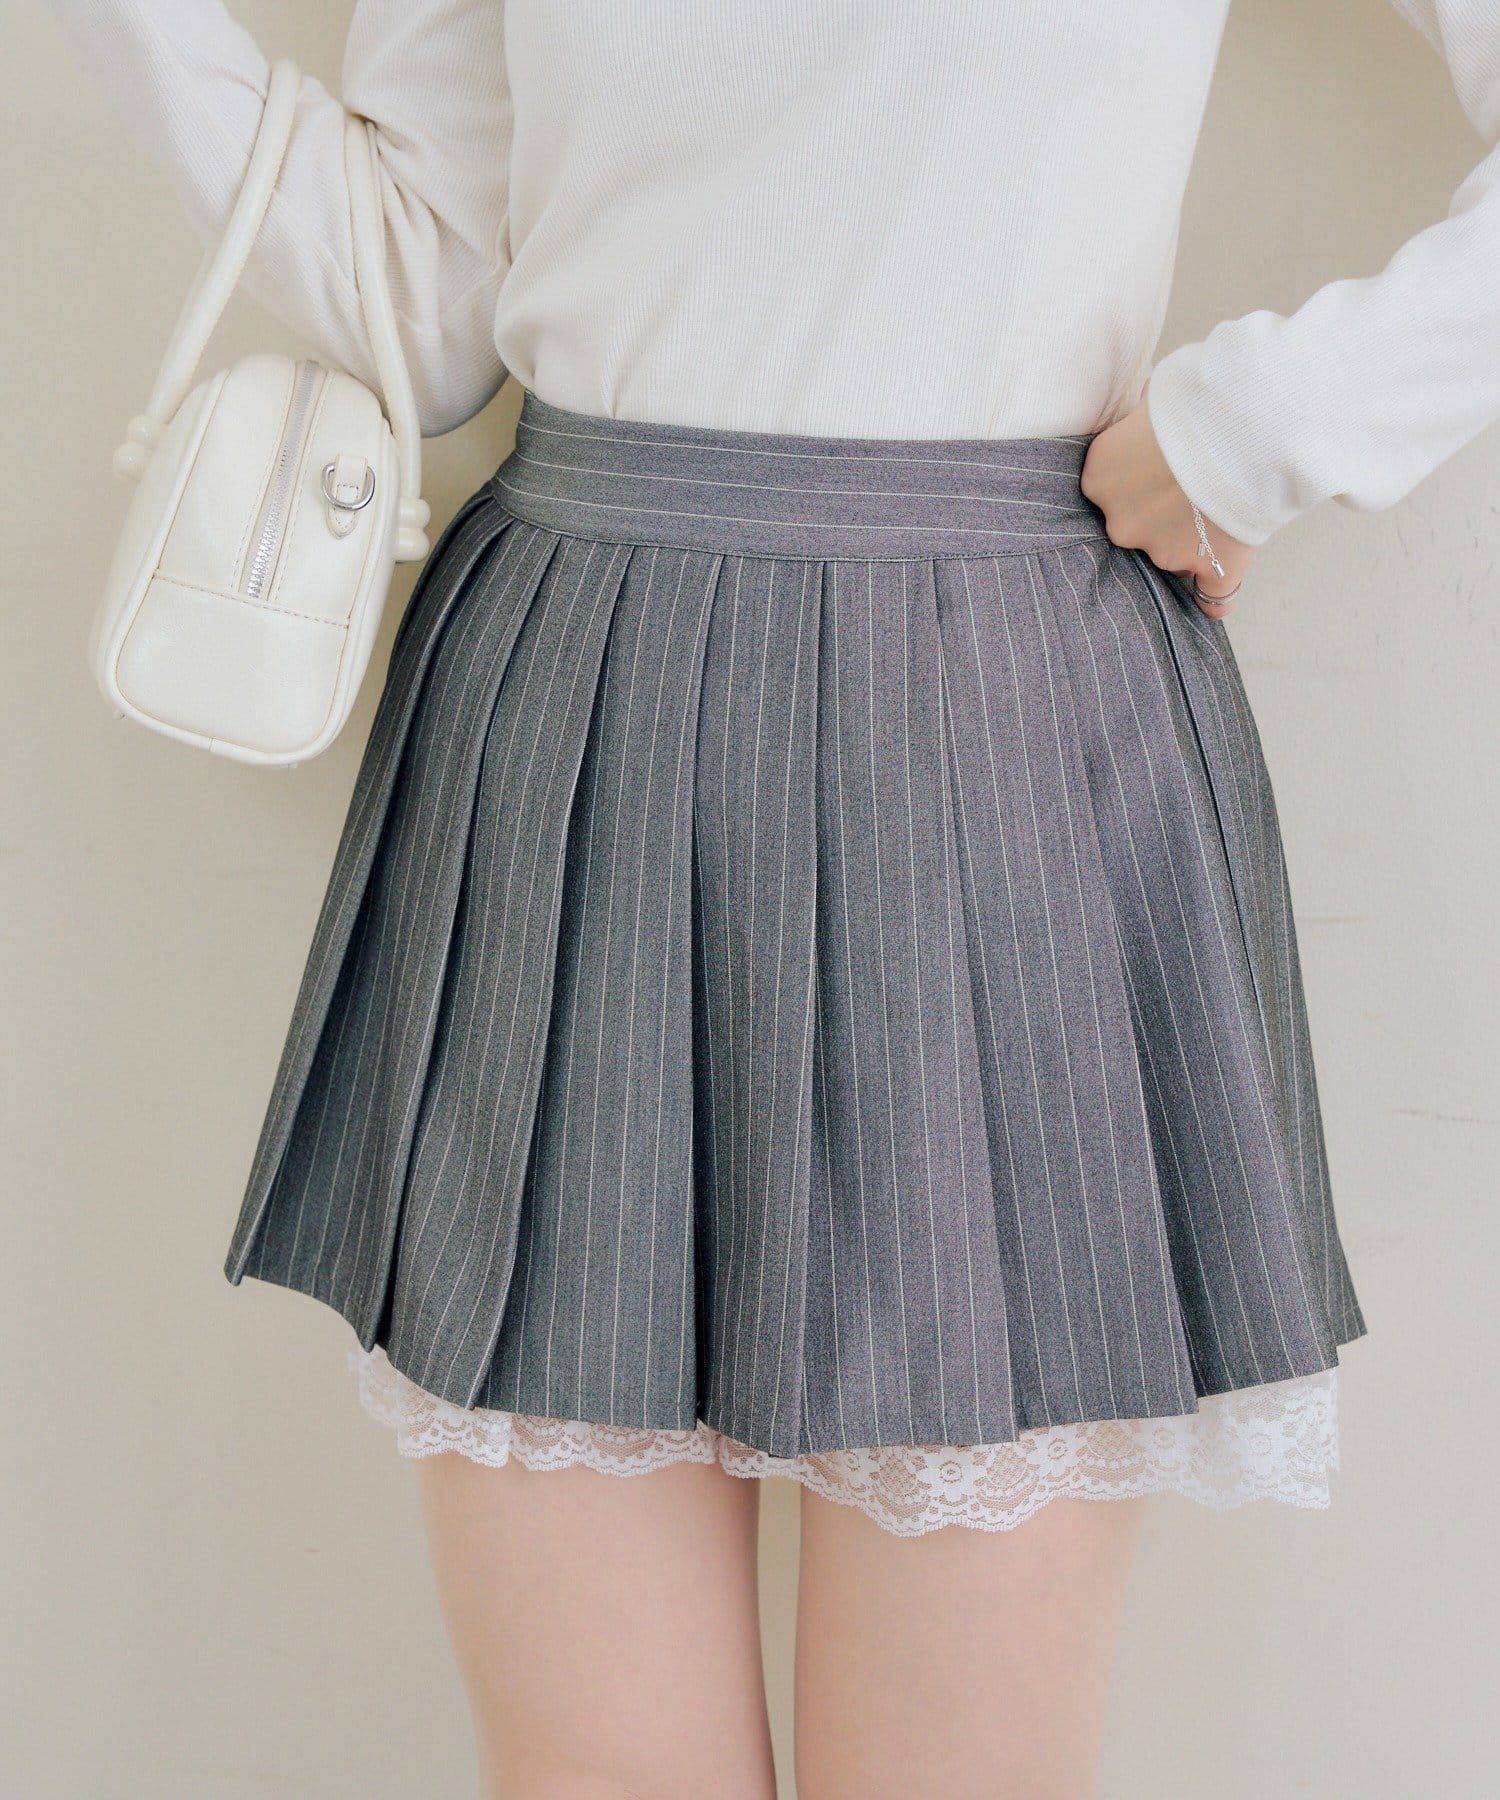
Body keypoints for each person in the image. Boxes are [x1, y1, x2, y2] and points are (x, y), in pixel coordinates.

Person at [45, 3, 1499, 1794]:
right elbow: (429, 310)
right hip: (580, 719)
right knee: (599, 1771)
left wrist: (1261, 424)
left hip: (997, 726)